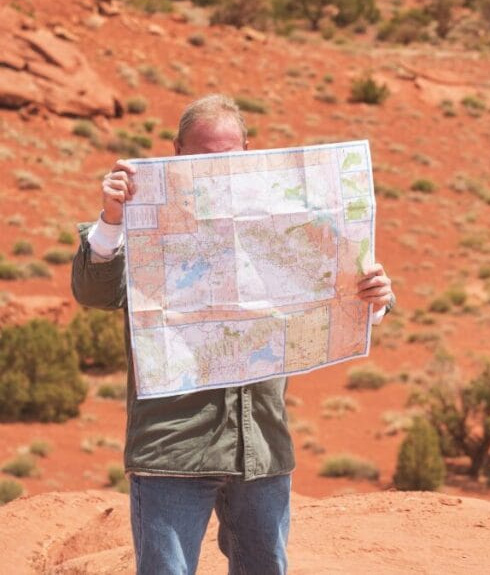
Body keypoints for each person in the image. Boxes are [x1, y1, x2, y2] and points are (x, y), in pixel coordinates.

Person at [71, 94, 394, 574]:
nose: (217, 169)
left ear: (248, 149)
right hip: (172, 451)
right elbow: (95, 290)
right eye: (202, 158)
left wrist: (376, 298)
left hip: (261, 448)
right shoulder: (143, 223)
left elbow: (336, 290)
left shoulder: (288, 218)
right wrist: (112, 218)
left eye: (228, 157)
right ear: (176, 152)